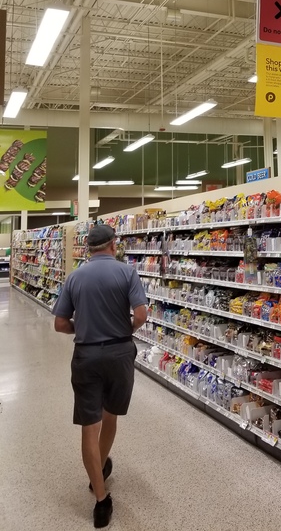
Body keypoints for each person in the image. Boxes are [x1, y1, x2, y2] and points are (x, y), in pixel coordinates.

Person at [52, 224, 148, 528]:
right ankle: (99, 471)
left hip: (86, 356)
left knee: (88, 427)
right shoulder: (127, 272)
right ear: (113, 245)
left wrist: (81, 328)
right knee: (110, 417)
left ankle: (101, 499)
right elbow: (141, 315)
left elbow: (59, 323)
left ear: (88, 248)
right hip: (119, 354)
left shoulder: (74, 277)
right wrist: (125, 330)